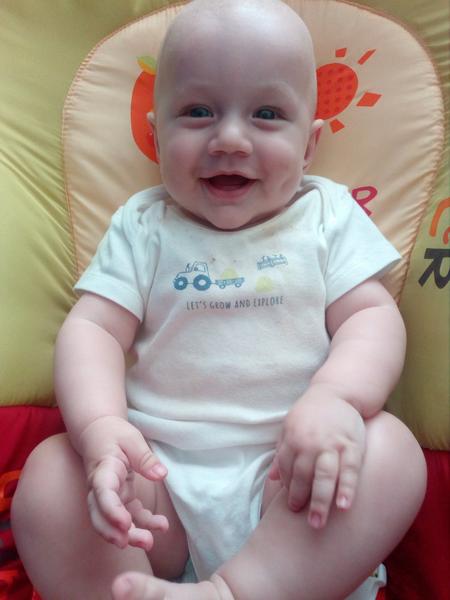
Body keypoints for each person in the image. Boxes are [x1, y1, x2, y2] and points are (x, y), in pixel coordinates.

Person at [12, 1, 427, 599]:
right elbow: (94, 330)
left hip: (292, 480)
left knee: (391, 451)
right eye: (198, 112)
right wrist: (99, 427)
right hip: (157, 484)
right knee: (51, 475)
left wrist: (337, 398)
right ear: (156, 137)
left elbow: (370, 316)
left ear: (309, 145)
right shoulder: (143, 224)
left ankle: (236, 592)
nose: (229, 139)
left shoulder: (327, 214)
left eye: (267, 114)